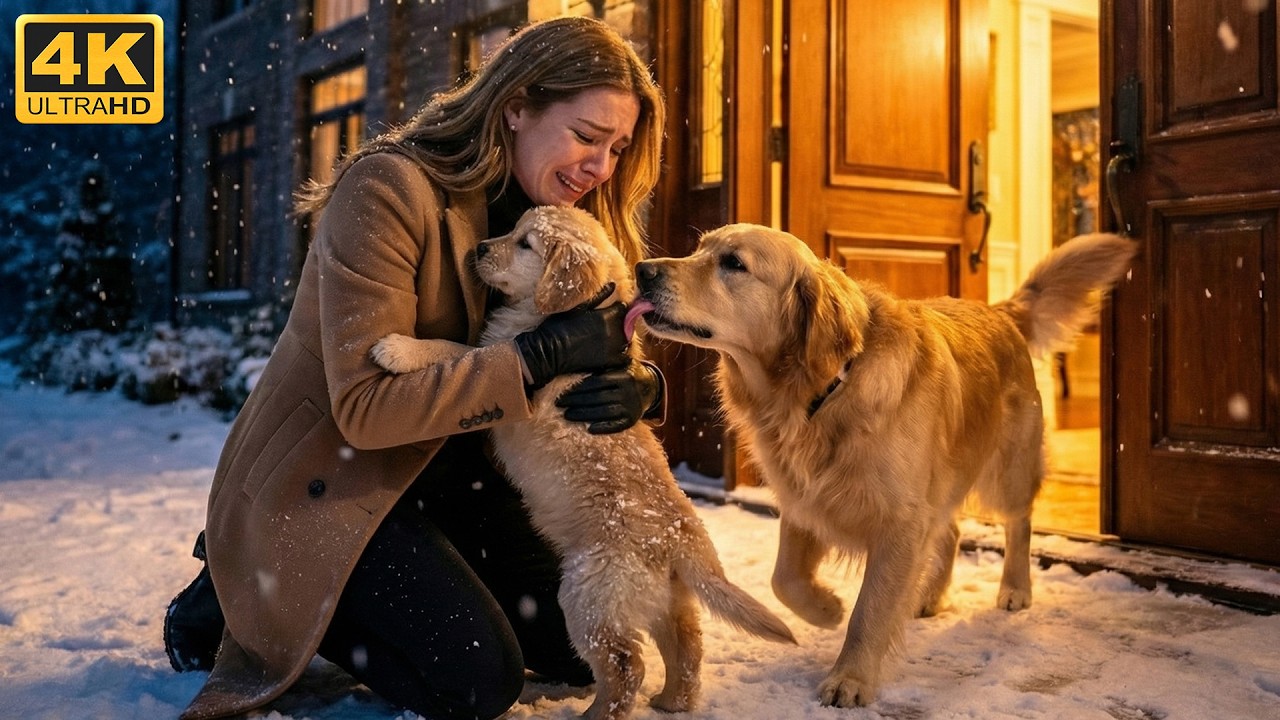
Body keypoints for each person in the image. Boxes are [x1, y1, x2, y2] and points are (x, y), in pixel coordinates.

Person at [163, 15, 667, 720]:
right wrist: (536, 358)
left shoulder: (565, 218)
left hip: (452, 478)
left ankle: (380, 586)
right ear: (516, 105)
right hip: (336, 479)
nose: (602, 167)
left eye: (618, 147)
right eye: (587, 137)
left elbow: (604, 341)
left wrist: (641, 387)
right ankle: (239, 592)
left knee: (569, 645)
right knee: (473, 683)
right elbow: (366, 409)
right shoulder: (389, 190)